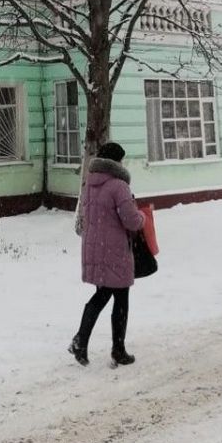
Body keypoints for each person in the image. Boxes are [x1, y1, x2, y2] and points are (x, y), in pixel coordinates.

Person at [69, 141, 145, 367]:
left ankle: (81, 342)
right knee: (120, 299)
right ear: (117, 161)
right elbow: (131, 221)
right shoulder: (119, 186)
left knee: (102, 295)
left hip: (94, 247)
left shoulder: (89, 184)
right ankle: (117, 350)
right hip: (114, 250)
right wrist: (142, 217)